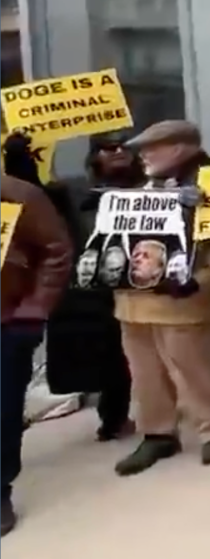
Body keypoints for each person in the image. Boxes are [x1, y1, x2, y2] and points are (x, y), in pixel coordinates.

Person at [112, 120, 210, 475]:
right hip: (134, 300)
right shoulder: (143, 188)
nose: (144, 155)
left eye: (154, 148)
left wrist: (204, 281)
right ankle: (157, 432)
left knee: (192, 367)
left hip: (182, 299)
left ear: (180, 148)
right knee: (143, 372)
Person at [4, 131, 138, 442]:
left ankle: (123, 417)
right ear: (95, 155)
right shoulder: (72, 191)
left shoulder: (147, 188)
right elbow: (31, 196)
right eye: (108, 148)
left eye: (123, 147)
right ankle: (113, 419)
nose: (117, 152)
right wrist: (19, 161)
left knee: (129, 356)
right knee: (103, 355)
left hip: (135, 281)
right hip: (88, 286)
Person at [1, 172, 74, 536]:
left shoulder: (17, 194)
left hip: (5, 320)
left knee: (2, 410)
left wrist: (33, 307)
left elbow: (55, 251)